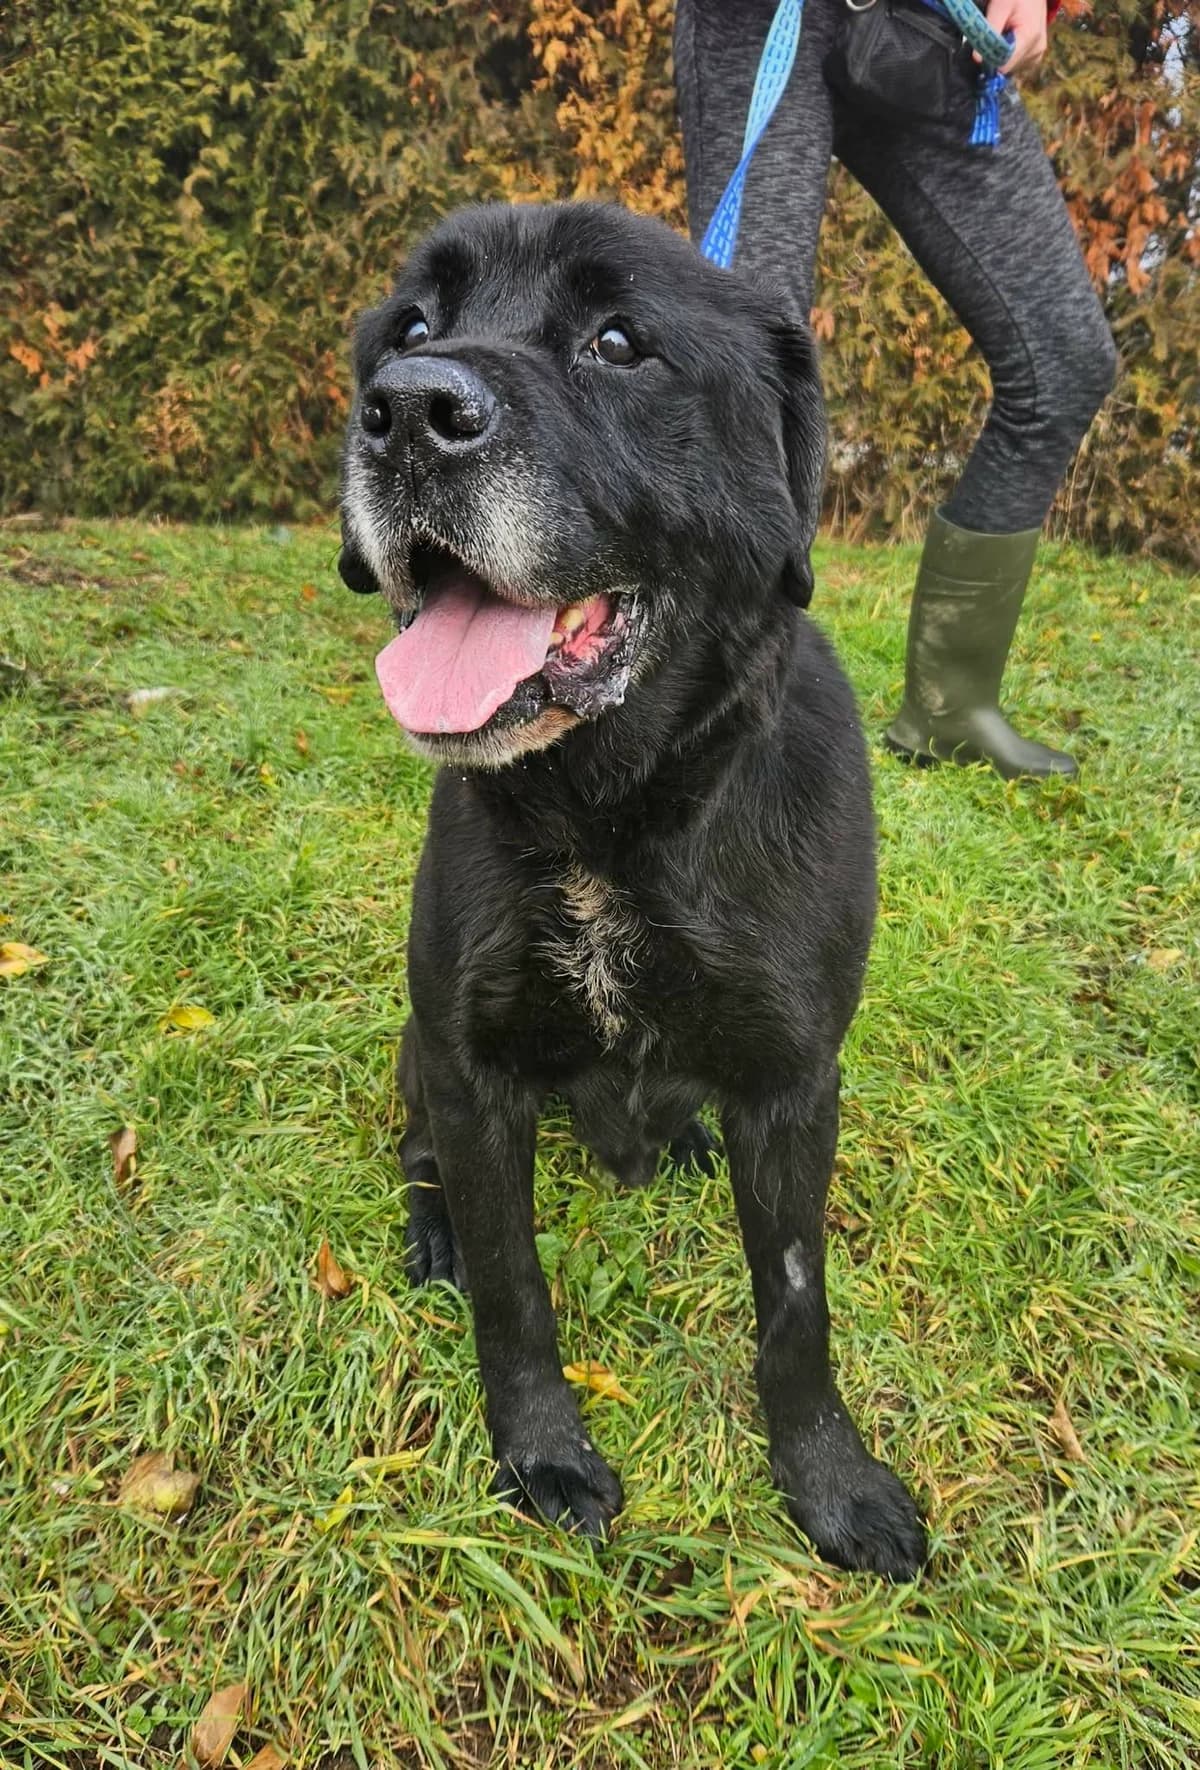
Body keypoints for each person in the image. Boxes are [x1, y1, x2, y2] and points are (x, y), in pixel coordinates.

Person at [674, 0, 1118, 779]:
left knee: (1064, 359)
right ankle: (729, 729)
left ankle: (952, 708)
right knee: (753, 367)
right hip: (757, 19)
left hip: (935, 24)